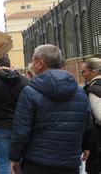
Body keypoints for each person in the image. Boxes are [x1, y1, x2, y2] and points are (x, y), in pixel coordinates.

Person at [10, 44, 91, 174]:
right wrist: (87, 145)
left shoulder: (29, 92)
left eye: (33, 60)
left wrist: (14, 157)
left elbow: (21, 130)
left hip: (37, 163)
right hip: (69, 162)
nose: (32, 64)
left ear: (40, 63)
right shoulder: (79, 91)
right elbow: (87, 122)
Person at [80, 58, 101, 173]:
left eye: (83, 71)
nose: (82, 74)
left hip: (97, 141)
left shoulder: (93, 90)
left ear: (93, 72)